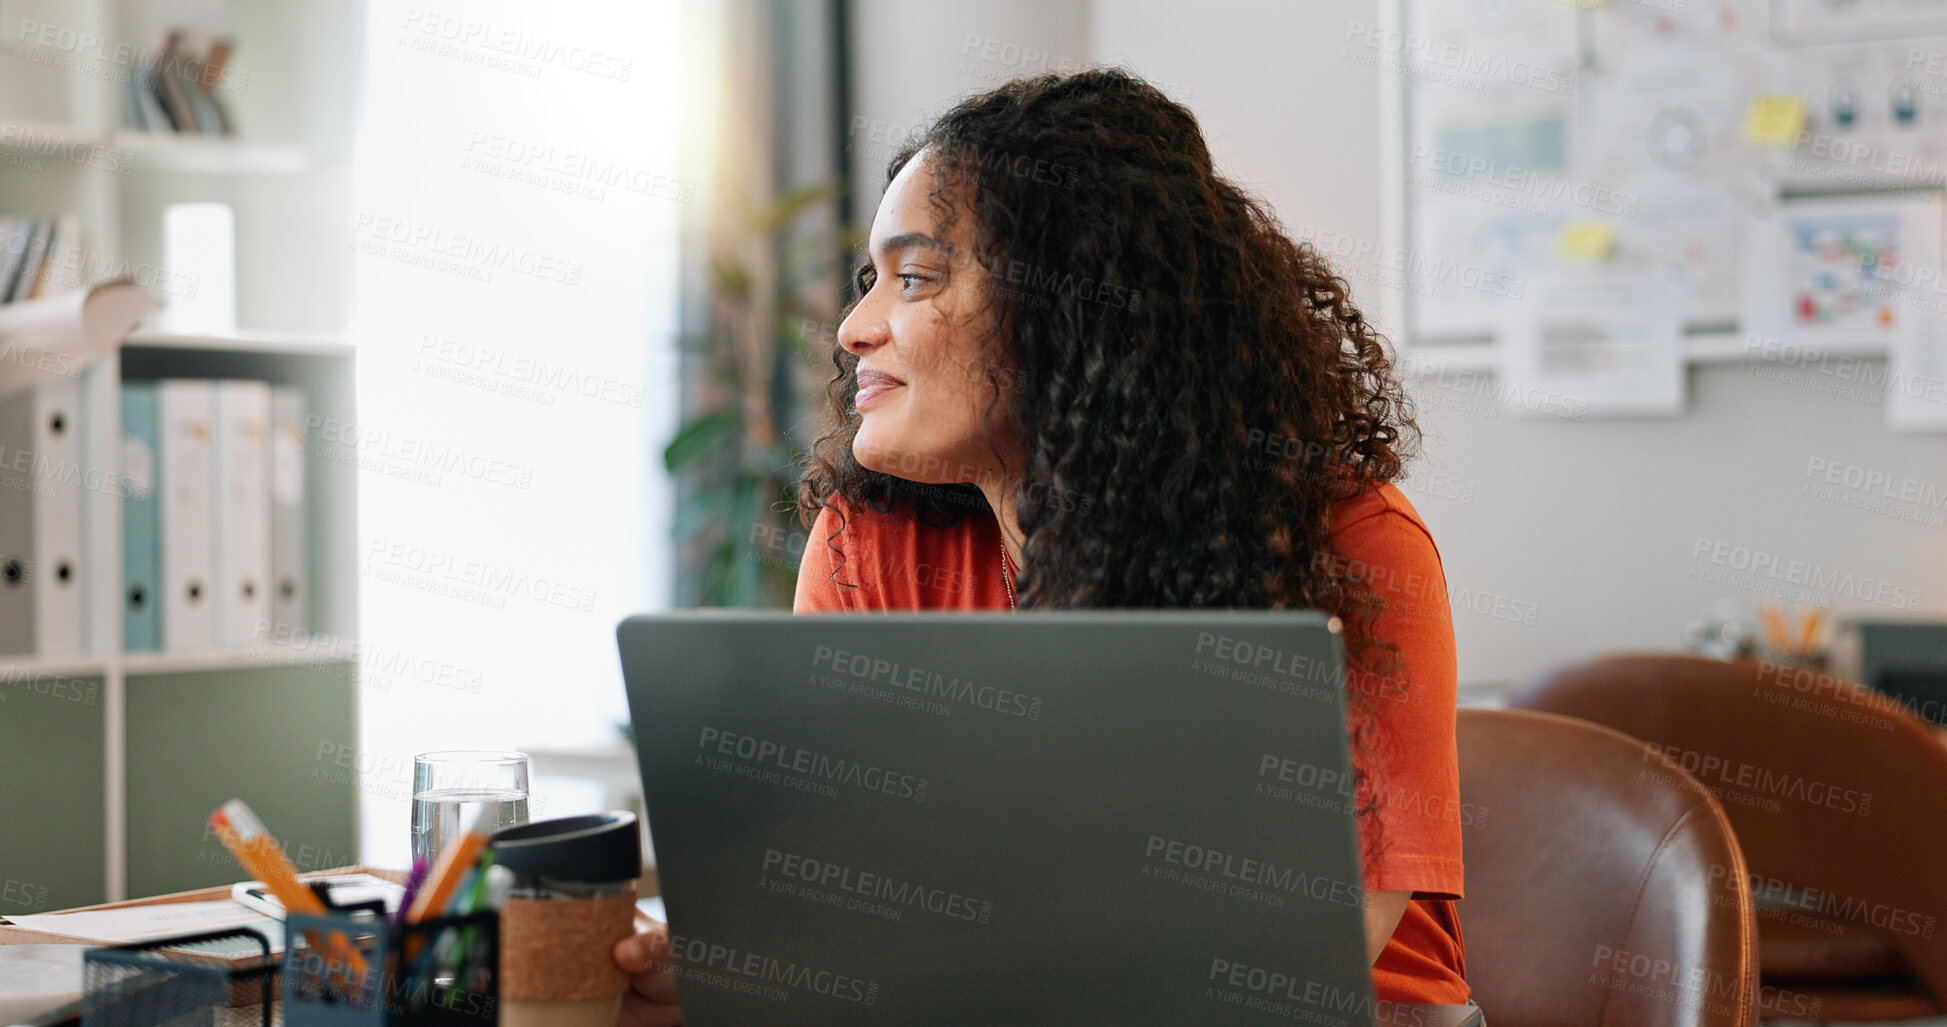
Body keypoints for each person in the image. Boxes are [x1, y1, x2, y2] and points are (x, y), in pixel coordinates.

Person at [614, 67, 1466, 1025]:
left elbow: (1317, 947)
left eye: (916, 278)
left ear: (1076, 308)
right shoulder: (869, 538)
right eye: (869, 281)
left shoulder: (1343, 542)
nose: (854, 328)